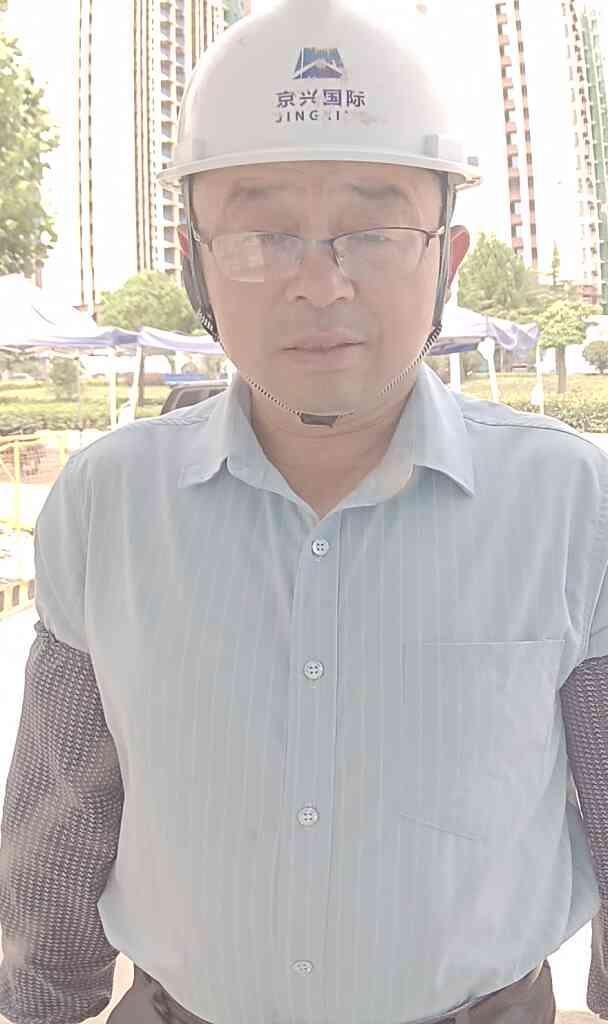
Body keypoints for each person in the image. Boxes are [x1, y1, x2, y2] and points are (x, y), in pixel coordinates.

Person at [1, 1, 608, 1022]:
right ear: (195, 260)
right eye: (261, 235)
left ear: (448, 258)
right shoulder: (108, 506)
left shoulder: (567, 503)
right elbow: (60, 824)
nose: (320, 287)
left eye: (374, 231)